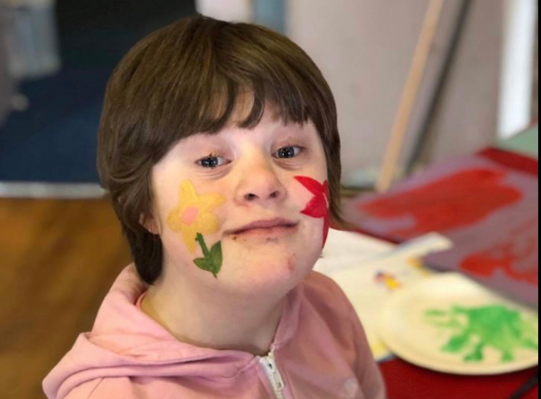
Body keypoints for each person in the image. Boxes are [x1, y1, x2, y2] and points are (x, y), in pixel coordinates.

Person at [43, 16, 387, 399]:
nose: (263, 183)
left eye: (288, 151)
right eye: (210, 161)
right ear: (144, 207)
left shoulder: (328, 306)